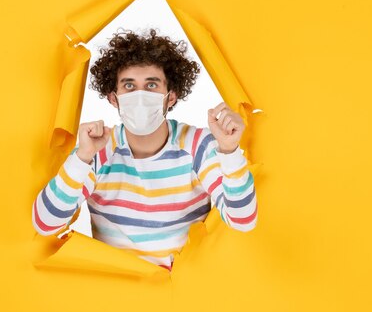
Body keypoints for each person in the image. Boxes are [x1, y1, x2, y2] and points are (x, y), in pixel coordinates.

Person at [32, 29, 258, 271]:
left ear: (170, 97)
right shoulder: (97, 151)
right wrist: (81, 158)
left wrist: (229, 150)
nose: (140, 96)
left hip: (184, 295)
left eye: (151, 85)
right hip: (119, 293)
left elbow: (242, 220)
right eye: (129, 85)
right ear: (113, 98)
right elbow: (46, 224)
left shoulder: (198, 145)